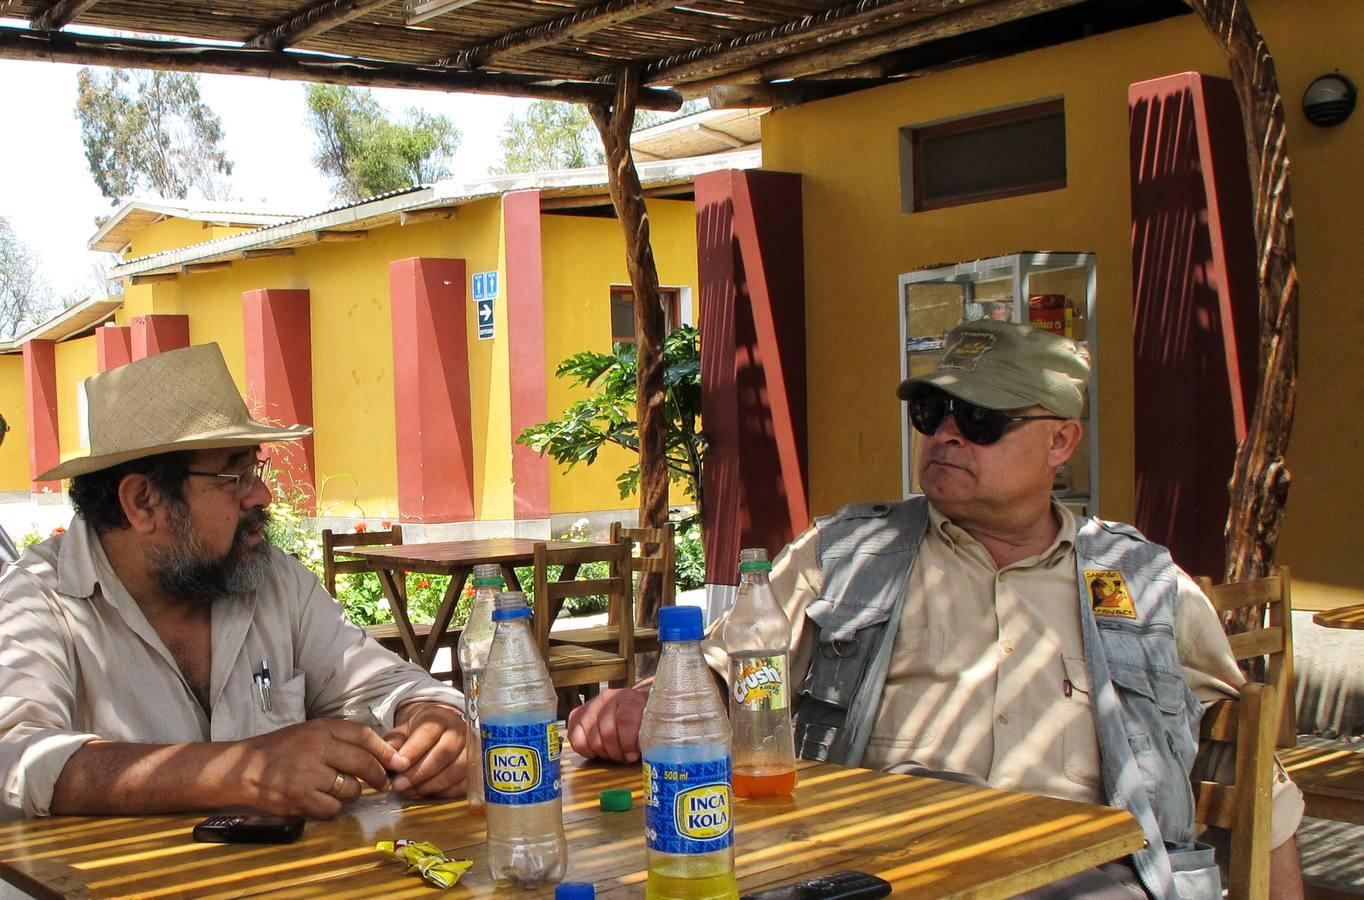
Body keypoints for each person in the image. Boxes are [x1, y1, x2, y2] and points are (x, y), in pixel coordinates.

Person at [567, 319, 1305, 899]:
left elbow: (1251, 770)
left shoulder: (1140, 583)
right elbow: (733, 672)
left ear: (1061, 440)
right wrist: (647, 702)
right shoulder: (847, 554)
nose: (947, 434)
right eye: (933, 411)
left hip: (1083, 876)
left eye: (981, 420)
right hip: (875, 868)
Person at [0, 344, 467, 820]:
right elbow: (16, 757)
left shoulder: (270, 579)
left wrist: (433, 720)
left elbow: (386, 683)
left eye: (255, 469)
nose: (261, 494)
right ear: (143, 501)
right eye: (234, 475)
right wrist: (239, 769)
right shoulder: (38, 596)